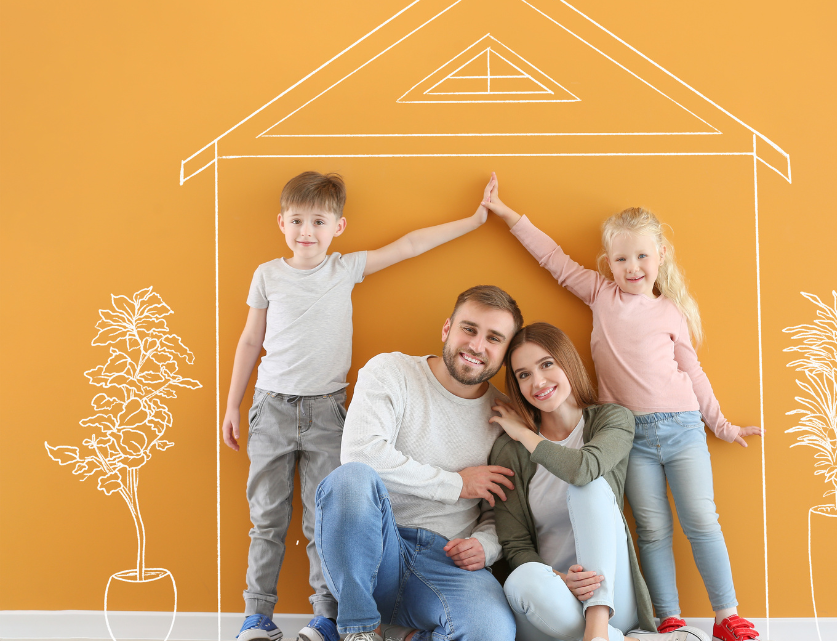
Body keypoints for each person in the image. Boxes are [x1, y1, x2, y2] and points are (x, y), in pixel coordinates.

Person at [482, 174, 764, 641]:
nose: (632, 267)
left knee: (701, 520)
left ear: (661, 257)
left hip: (682, 426)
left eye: (642, 257)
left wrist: (720, 422)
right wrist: (511, 216)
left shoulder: (671, 311)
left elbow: (692, 372)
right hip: (629, 435)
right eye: (621, 259)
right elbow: (553, 258)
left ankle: (726, 614)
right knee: (651, 527)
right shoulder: (599, 294)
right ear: (607, 263)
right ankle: (669, 619)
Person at [221, 172, 491, 641]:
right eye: (298, 221)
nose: (307, 231)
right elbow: (250, 340)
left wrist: (472, 221)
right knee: (266, 517)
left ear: (338, 227)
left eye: (319, 221)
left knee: (321, 517)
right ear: (281, 222)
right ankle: (257, 616)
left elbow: (408, 246)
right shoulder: (267, 274)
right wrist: (233, 405)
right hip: (272, 408)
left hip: (327, 411)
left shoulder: (343, 268)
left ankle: (325, 617)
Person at [315, 285, 524, 641]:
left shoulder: (503, 417)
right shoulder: (390, 371)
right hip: (376, 548)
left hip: (446, 561)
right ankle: (362, 630)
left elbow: (497, 507)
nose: (476, 346)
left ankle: (398, 635)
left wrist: (486, 546)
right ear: (447, 329)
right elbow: (361, 454)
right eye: (469, 329)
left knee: (492, 632)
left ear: (505, 353)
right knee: (350, 479)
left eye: (494, 338)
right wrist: (456, 484)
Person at [489, 323, 709, 641]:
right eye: (523, 375)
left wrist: (524, 434)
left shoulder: (612, 419)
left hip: (614, 596)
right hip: (552, 599)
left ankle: (598, 630)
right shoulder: (509, 451)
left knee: (589, 485)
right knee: (520, 580)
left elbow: (582, 469)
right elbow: (516, 544)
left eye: (546, 364)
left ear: (567, 361)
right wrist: (560, 579)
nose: (537, 382)